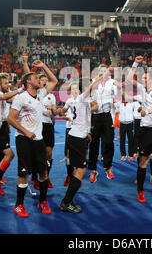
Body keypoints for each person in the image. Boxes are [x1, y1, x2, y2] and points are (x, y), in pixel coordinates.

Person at [7, 70, 59, 217]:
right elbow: (10, 119)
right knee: (24, 173)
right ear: (28, 82)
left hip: (38, 140)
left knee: (43, 172)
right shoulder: (20, 98)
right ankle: (19, 205)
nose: (39, 80)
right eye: (36, 78)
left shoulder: (40, 94)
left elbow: (54, 81)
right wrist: (26, 131)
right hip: (24, 140)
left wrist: (43, 66)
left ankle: (42, 201)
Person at [126, 56, 152, 202]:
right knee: (142, 161)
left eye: (144, 78)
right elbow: (128, 79)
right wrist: (135, 63)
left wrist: (147, 111)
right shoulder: (141, 90)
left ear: (150, 79)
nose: (141, 80)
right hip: (145, 130)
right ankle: (140, 191)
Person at [60, 76, 103, 213]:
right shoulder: (81, 98)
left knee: (77, 170)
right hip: (77, 138)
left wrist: (87, 133)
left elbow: (86, 118)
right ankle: (66, 202)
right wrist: (99, 79)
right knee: (81, 170)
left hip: (79, 136)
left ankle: (68, 199)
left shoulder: (84, 100)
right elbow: (89, 89)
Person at [88, 64, 119, 183]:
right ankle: (93, 170)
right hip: (95, 116)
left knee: (108, 142)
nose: (102, 72)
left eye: (104, 70)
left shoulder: (112, 82)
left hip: (107, 115)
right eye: (100, 70)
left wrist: (119, 87)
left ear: (108, 72)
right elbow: (89, 94)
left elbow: (118, 94)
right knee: (93, 143)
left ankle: (108, 168)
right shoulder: (93, 82)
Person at [114, 92, 135, 161]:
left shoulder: (132, 104)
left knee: (130, 140)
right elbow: (114, 108)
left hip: (130, 123)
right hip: (122, 123)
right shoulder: (119, 104)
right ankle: (123, 154)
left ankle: (131, 155)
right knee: (122, 140)